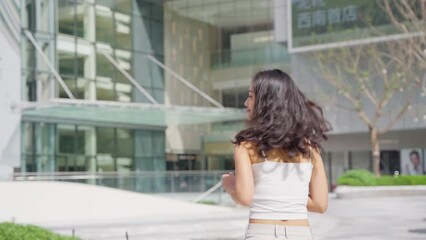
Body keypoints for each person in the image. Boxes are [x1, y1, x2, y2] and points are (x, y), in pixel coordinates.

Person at [222, 69, 331, 240]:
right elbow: (320, 204)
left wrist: (229, 184)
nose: (246, 102)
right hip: (300, 233)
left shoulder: (246, 145)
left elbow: (244, 197)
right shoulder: (310, 148)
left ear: (266, 101)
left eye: (250, 96)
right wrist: (287, 196)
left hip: (262, 232)